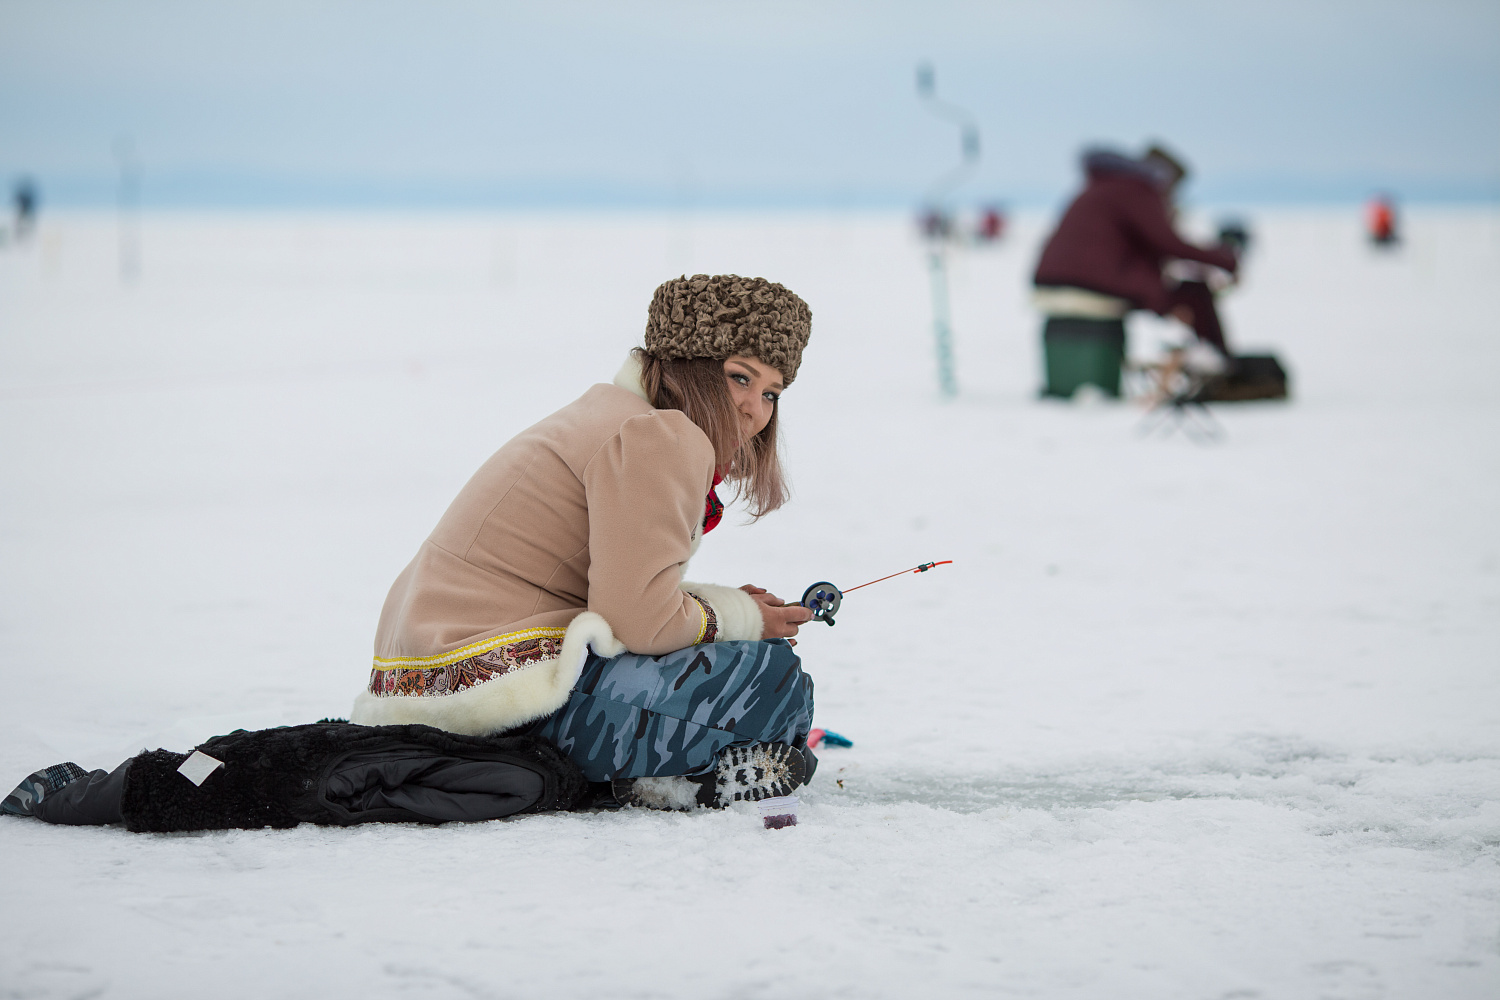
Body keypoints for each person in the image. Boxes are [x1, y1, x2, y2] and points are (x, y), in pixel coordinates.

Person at [4, 275, 819, 829]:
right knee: (778, 682)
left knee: (737, 661)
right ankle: (655, 776)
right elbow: (638, 617)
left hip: (438, 674)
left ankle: (651, 774)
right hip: (510, 684)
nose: (753, 408)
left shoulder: (616, 414)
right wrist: (741, 617)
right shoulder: (661, 436)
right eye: (741, 377)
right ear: (686, 367)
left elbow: (622, 595)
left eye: (772, 392)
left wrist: (723, 608)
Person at [1033, 145, 1240, 362]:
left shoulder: (1107, 185)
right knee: (1195, 294)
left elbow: (1145, 247)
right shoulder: (1136, 190)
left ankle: (1212, 360)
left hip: (1057, 277)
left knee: (1185, 293)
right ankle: (1221, 363)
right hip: (1089, 281)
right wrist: (1225, 259)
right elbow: (1167, 243)